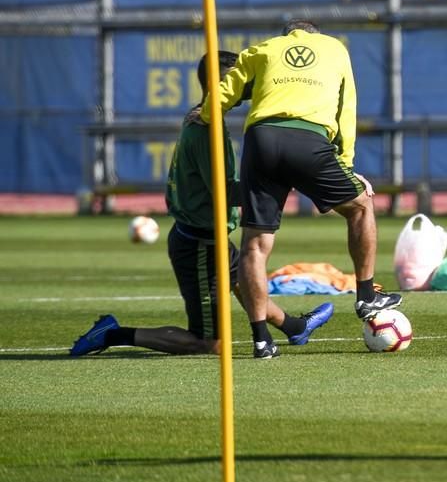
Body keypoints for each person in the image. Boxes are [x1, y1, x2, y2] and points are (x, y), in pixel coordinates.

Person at [70, 51, 333, 357]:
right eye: (241, 79)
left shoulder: (203, 117)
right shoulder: (208, 129)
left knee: (247, 283)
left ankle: (295, 328)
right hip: (200, 245)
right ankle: (113, 334)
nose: (248, 87)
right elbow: (222, 193)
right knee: (209, 342)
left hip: (211, 236)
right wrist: (283, 183)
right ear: (221, 83)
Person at [203, 20, 402, 359]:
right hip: (308, 139)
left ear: (287, 35)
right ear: (315, 33)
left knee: (255, 244)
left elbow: (229, 86)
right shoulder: (335, 48)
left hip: (261, 139)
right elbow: (347, 108)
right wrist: (347, 162)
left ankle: (262, 339)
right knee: (360, 207)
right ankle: (367, 295)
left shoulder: (263, 49)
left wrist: (206, 112)